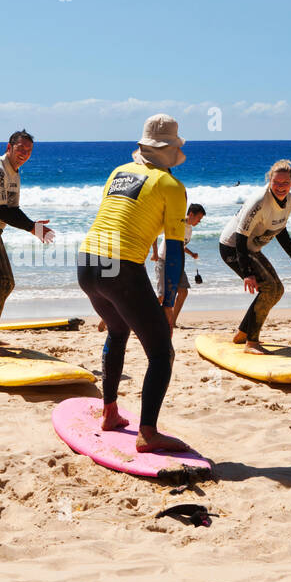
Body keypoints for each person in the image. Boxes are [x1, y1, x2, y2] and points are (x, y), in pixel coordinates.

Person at [77, 114, 189, 452]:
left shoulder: (118, 173)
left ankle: (110, 413)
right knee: (161, 352)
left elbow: (117, 218)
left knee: (118, 331)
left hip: (87, 263)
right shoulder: (171, 186)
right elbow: (173, 250)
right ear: (171, 152)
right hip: (122, 270)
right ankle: (148, 433)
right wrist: (168, 304)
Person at [0, 129, 54, 356]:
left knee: (5, 283)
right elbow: (2, 211)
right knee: (3, 284)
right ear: (9, 147)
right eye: (20, 148)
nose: (24, 153)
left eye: (29, 150)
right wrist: (33, 227)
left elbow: (13, 209)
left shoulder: (14, 173)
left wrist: (33, 226)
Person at [218, 160, 291, 353]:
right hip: (233, 247)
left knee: (278, 290)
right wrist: (247, 273)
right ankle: (251, 343)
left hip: (251, 248)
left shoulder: (289, 200)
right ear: (270, 180)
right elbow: (240, 239)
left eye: (285, 183)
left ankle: (243, 332)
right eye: (276, 183)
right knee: (269, 288)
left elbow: (281, 229)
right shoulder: (259, 202)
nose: (280, 187)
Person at [151, 203, 205, 327]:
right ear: (191, 214)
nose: (199, 222)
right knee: (161, 296)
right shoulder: (177, 222)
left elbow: (181, 245)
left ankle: (171, 322)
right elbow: (154, 233)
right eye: (198, 219)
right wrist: (154, 253)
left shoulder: (189, 228)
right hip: (163, 260)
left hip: (177, 262)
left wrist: (191, 254)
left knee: (183, 291)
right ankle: (144, 318)